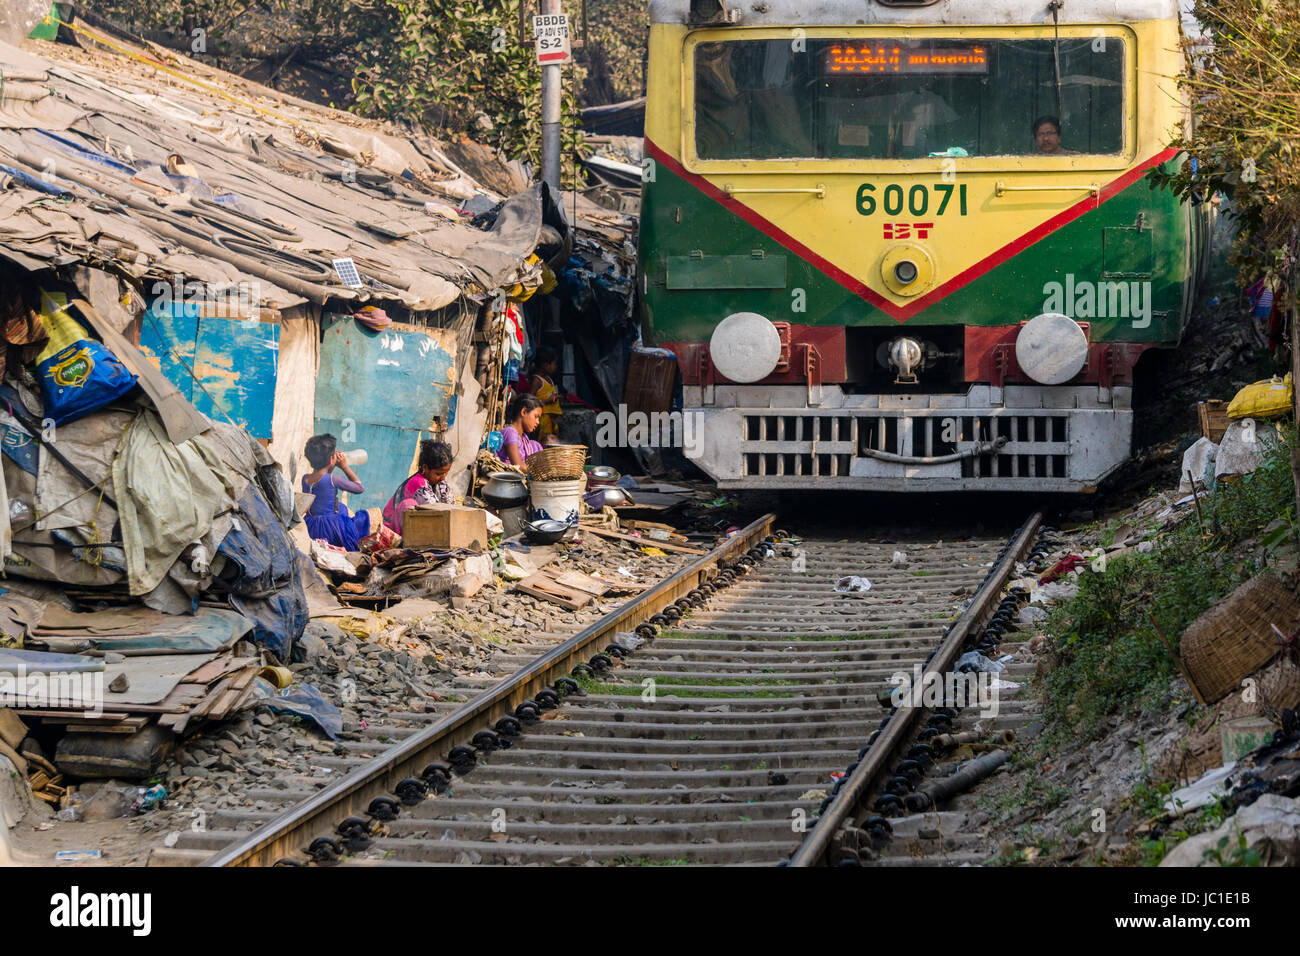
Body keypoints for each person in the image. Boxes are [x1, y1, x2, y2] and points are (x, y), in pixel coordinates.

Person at [301, 434, 370, 550]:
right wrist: (344, 467)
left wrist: (331, 464)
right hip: (332, 529)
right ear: (330, 459)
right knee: (363, 516)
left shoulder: (305, 479)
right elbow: (359, 488)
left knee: (341, 507)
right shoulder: (333, 479)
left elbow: (323, 482)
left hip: (311, 527)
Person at [382, 439, 454, 536]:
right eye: (439, 473)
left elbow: (452, 508)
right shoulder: (418, 484)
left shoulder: (441, 483)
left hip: (418, 527)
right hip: (392, 531)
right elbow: (436, 512)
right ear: (425, 468)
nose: (444, 477)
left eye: (446, 472)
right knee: (408, 505)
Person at [497, 393, 546, 467]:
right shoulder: (510, 432)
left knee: (536, 445)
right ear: (524, 412)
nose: (538, 422)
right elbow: (518, 466)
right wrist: (540, 471)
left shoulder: (523, 439)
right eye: (536, 416)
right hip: (508, 477)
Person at [529, 347, 563, 441]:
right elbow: (530, 401)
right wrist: (547, 401)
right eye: (554, 363)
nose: (556, 366)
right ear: (545, 365)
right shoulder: (537, 380)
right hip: (542, 421)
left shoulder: (549, 379)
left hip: (551, 421)